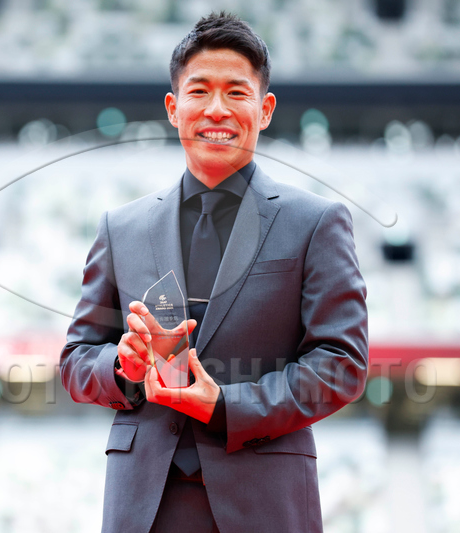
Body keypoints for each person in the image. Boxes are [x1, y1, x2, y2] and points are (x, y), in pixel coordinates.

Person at [60, 12, 368, 533]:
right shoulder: (121, 228)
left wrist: (225, 405)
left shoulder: (316, 222)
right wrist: (123, 367)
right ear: (173, 108)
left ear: (265, 110)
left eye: (236, 92)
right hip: (143, 506)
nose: (217, 109)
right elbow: (75, 359)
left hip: (265, 502)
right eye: (199, 91)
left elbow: (341, 364)